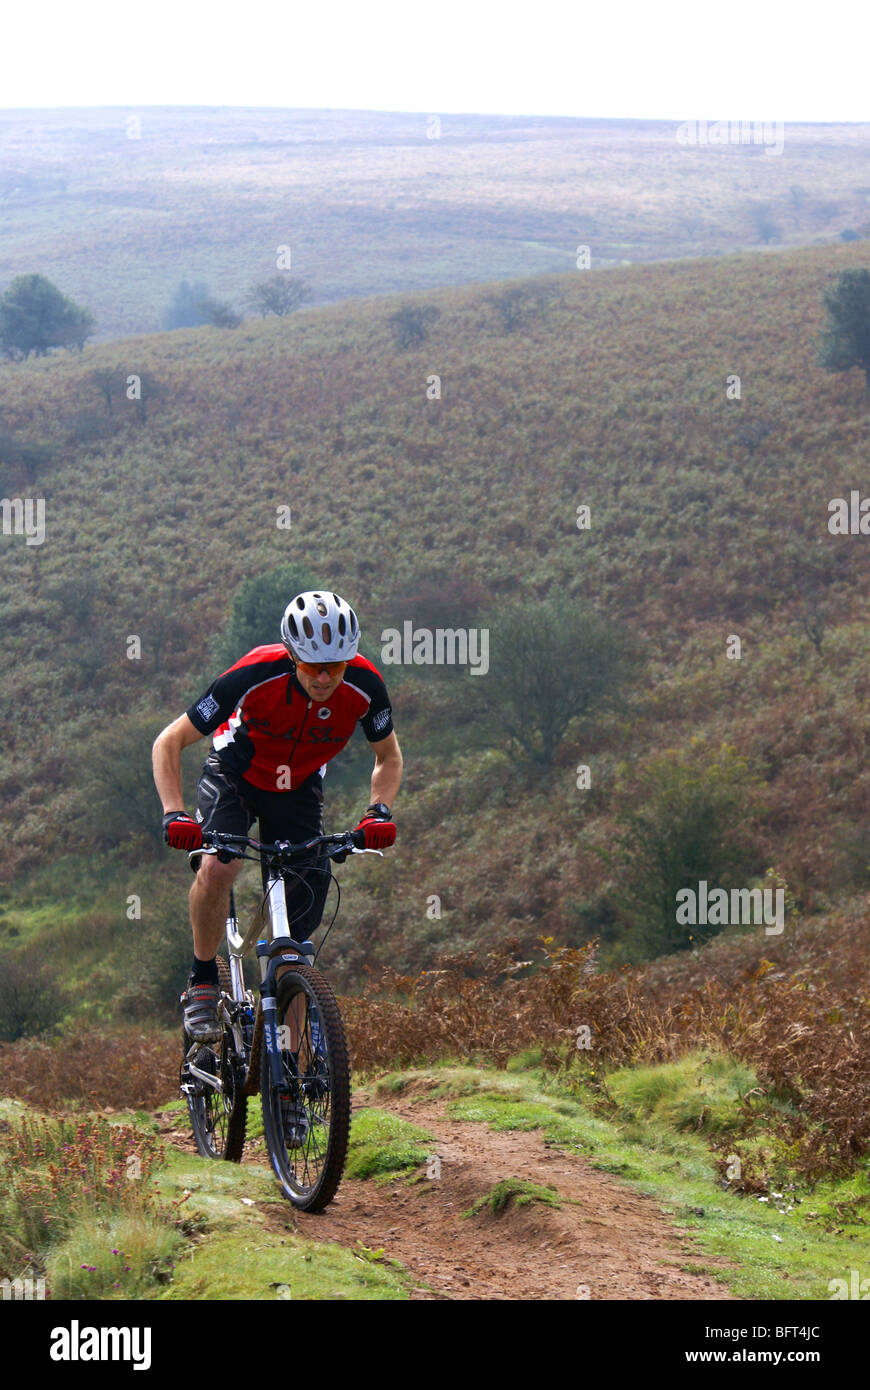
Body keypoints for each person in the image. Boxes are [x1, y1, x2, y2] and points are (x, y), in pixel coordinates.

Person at [152, 590, 402, 1042]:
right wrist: (175, 814)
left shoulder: (366, 686)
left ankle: (293, 1082)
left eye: (336, 665)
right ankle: (204, 980)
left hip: (298, 787)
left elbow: (388, 756)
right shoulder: (253, 673)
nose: (325, 677)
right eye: (312, 666)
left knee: (295, 952)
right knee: (219, 863)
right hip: (236, 774)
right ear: (292, 656)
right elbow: (169, 741)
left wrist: (377, 813)